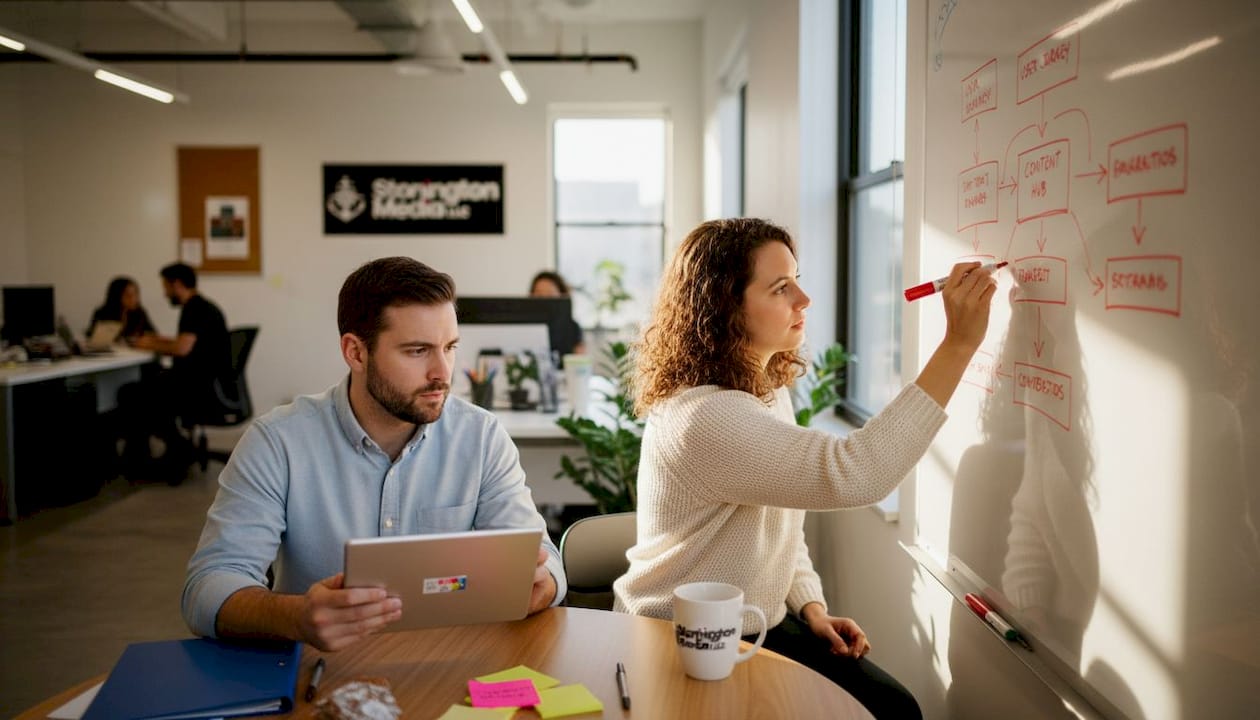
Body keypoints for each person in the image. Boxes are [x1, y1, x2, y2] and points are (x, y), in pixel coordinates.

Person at [612, 218, 998, 719]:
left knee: (894, 707)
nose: (804, 299)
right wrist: (959, 344)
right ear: (725, 307)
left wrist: (810, 606)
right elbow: (855, 472)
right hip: (678, 637)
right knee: (894, 711)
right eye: (781, 288)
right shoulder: (708, 417)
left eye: (796, 279)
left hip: (754, 623)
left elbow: (780, 527)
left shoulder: (766, 392)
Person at [182, 256, 566, 651]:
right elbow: (208, 588)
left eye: (450, 347)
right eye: (417, 351)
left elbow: (544, 560)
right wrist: (296, 616)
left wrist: (543, 583)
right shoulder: (278, 442)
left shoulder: (480, 437)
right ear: (356, 352)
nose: (442, 372)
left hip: (448, 662)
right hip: (323, 670)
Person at [122, 263, 231, 482]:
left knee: (132, 393)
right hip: (207, 383)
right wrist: (159, 340)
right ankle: (175, 447)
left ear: (177, 284)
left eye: (165, 287)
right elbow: (188, 342)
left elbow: (182, 348)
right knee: (149, 383)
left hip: (198, 387)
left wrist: (149, 345)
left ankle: (172, 448)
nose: (164, 294)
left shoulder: (193, 309)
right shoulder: (203, 306)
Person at [529, 270, 585, 356]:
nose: (544, 300)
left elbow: (579, 358)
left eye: (550, 295)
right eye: (539, 295)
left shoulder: (573, 327)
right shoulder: (524, 327)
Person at [87, 276, 155, 342]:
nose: (133, 299)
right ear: (116, 296)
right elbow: (92, 337)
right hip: (109, 349)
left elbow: (153, 334)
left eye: (136, 294)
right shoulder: (102, 312)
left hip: (133, 349)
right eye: (128, 295)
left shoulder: (140, 313)